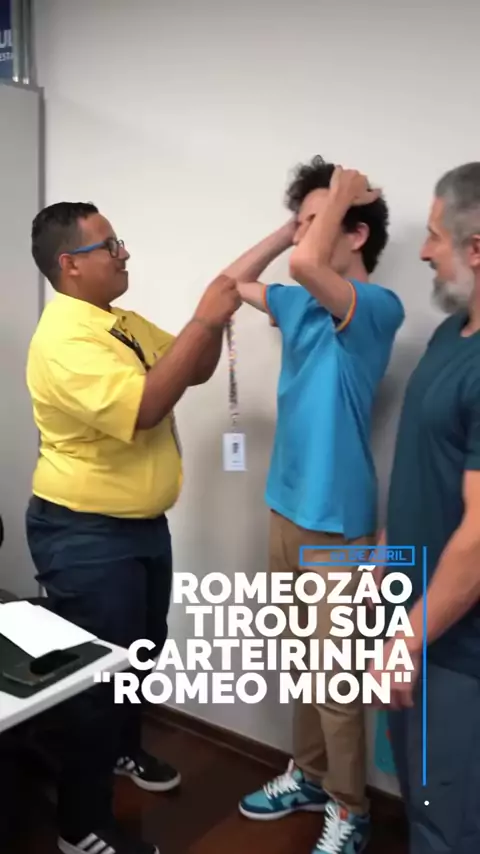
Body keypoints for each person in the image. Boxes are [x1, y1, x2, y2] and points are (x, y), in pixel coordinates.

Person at [25, 201, 240, 854]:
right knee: (96, 680)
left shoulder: (118, 323)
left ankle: (120, 750)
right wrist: (205, 316)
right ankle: (79, 827)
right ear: (70, 264)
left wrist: (212, 323)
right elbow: (146, 406)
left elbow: (192, 367)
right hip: (84, 533)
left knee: (141, 651)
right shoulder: (63, 340)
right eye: (110, 245)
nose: (123, 253)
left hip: (141, 525)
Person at [224, 156, 405, 854]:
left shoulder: (376, 309)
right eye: (300, 223)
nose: (303, 236)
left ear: (354, 234)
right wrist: (289, 227)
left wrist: (342, 195)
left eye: (319, 221)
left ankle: (351, 809)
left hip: (340, 527)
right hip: (283, 511)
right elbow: (229, 283)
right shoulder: (298, 301)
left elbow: (305, 266)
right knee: (302, 663)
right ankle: (308, 775)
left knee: (336, 681)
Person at [368, 162, 480, 854]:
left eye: (436, 234)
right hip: (415, 621)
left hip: (459, 650)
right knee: (420, 803)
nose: (424, 250)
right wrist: (389, 548)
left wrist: (409, 641)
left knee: (447, 826)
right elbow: (424, 461)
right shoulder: (452, 334)